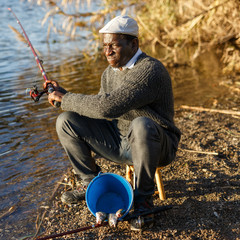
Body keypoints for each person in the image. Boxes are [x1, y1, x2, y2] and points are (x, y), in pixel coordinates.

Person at [44, 15, 181, 230]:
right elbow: (101, 110)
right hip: (121, 140)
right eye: (104, 46)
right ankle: (91, 185)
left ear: (133, 44)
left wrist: (67, 99)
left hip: (156, 145)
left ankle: (143, 200)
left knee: (141, 125)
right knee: (66, 121)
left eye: (113, 45)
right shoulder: (110, 73)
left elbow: (108, 106)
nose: (107, 51)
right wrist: (64, 96)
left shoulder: (150, 70)